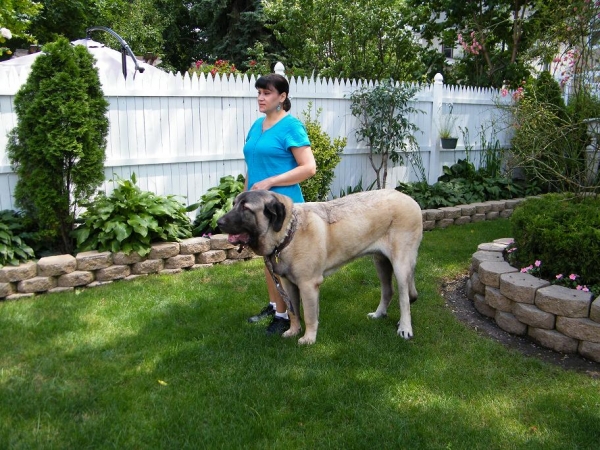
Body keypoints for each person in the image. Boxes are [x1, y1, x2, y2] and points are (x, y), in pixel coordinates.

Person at [243, 73, 316, 335]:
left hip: (282, 208)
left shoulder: (291, 126)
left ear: (282, 97)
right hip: (259, 206)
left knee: (284, 264)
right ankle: (275, 305)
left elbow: (309, 168)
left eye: (267, 93)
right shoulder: (257, 125)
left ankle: (286, 316)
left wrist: (270, 181)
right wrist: (244, 199)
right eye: (259, 92)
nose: (261, 98)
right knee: (267, 258)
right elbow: (252, 166)